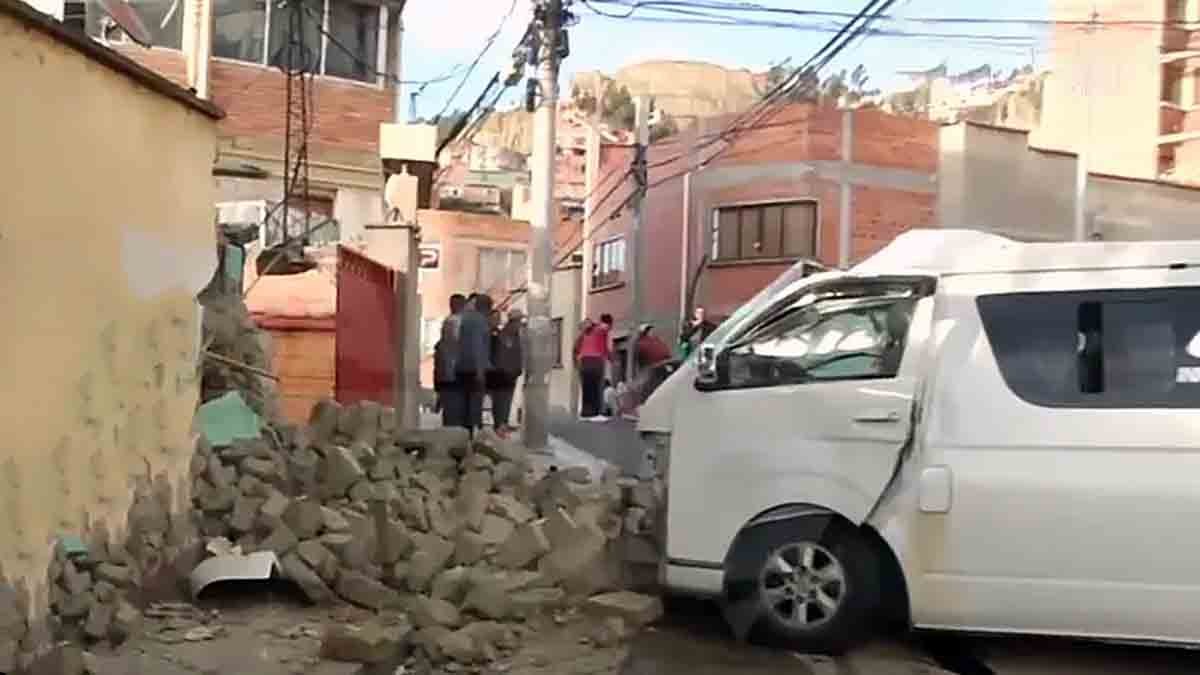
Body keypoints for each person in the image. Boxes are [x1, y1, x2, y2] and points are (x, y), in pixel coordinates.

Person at [454, 293, 493, 434]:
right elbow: (477, 347)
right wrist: (480, 372)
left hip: (460, 368)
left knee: (462, 407)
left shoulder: (463, 318)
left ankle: (462, 436)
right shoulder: (480, 321)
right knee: (474, 407)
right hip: (474, 370)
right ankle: (470, 438)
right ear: (487, 308)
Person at [488, 309, 524, 437]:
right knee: (500, 402)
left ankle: (502, 425)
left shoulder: (515, 336)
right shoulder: (502, 335)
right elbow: (500, 356)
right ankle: (499, 426)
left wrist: (518, 369)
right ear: (512, 322)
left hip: (510, 375)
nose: (520, 324)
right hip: (501, 375)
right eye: (519, 321)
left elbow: (517, 354)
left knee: (506, 402)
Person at [433, 293, 467, 427]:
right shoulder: (454, 322)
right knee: (454, 411)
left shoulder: (452, 321)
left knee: (453, 412)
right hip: (454, 374)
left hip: (452, 374)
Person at [575, 313, 613, 421]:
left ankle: (585, 413)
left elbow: (577, 347)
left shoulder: (587, 332)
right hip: (596, 361)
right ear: (608, 323)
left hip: (584, 362)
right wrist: (611, 359)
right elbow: (604, 348)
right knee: (597, 387)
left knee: (587, 387)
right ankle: (596, 414)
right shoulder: (603, 330)